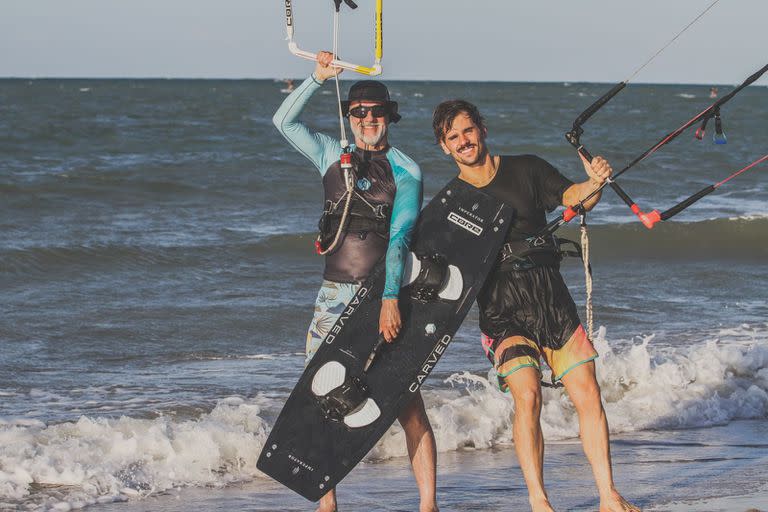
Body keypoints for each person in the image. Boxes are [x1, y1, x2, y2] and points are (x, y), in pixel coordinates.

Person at [431, 99, 639, 512]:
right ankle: (539, 501)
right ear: (444, 148)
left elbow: (574, 198)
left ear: (483, 129)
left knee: (588, 393)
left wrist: (593, 181)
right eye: (452, 137)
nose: (463, 141)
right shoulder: (450, 202)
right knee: (527, 396)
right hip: (501, 308)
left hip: (550, 296)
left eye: (468, 131)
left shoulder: (526, 168)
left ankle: (608, 495)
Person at [272, 51, 439, 512]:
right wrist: (317, 77)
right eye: (360, 113)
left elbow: (401, 236)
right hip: (333, 296)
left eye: (377, 113)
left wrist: (390, 298)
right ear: (350, 116)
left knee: (408, 405)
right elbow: (284, 121)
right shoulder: (331, 153)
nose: (368, 120)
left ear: (390, 117)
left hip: (382, 294)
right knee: (322, 399)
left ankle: (428, 505)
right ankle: (328, 506)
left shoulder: (407, 170)